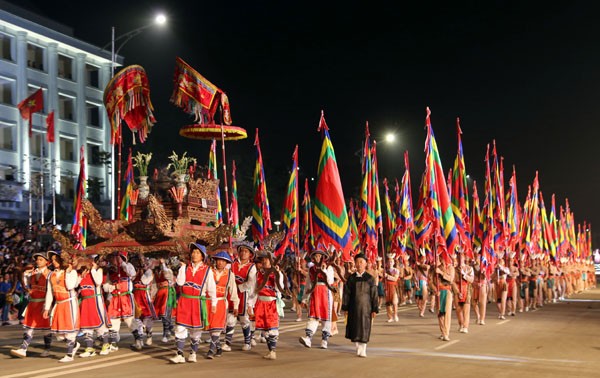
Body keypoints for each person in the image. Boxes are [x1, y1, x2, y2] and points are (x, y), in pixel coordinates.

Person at [169, 243, 217, 364]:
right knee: (180, 327)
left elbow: (211, 288)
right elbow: (180, 283)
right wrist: (181, 269)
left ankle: (193, 353)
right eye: (193, 252)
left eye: (197, 252)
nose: (194, 254)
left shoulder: (207, 270)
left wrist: (214, 303)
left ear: (202, 256)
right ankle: (179, 354)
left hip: (198, 302)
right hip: (184, 301)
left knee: (195, 330)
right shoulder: (185, 268)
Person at [10, 251, 53, 358]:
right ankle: (23, 349)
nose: (38, 261)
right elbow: (25, 283)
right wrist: (23, 273)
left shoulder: (50, 274)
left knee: (46, 329)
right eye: (37, 259)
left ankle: (47, 349)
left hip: (44, 304)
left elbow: (51, 291)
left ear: (47, 262)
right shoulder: (32, 272)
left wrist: (48, 306)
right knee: (29, 327)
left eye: (40, 259)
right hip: (33, 303)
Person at [43, 251, 81, 362]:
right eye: (53, 260)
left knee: (69, 329)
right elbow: (50, 292)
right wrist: (47, 308)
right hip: (58, 304)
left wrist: (69, 272)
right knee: (59, 333)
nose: (54, 262)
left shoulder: (72, 272)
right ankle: (74, 345)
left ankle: (69, 355)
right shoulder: (51, 274)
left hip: (69, 303)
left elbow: (69, 286)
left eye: (56, 259)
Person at [103, 251, 142, 351]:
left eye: (115, 258)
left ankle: (138, 340)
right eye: (112, 258)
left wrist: (123, 263)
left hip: (126, 298)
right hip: (115, 298)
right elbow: (106, 287)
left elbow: (132, 273)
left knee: (129, 320)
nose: (113, 260)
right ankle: (113, 343)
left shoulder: (128, 266)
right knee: (113, 320)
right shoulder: (110, 271)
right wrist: (113, 287)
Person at [342, 253, 378, 358]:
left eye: (361, 262)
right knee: (355, 327)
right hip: (353, 306)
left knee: (365, 327)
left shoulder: (370, 279)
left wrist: (374, 308)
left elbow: (374, 294)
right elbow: (346, 294)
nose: (359, 264)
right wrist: (345, 307)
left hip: (366, 307)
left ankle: (364, 348)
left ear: (366, 263)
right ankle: (358, 346)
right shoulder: (351, 279)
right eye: (357, 262)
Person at [205, 251, 239, 359]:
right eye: (219, 260)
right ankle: (218, 347)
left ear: (226, 263)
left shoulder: (230, 274)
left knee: (217, 326)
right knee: (211, 327)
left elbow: (233, 291)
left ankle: (211, 349)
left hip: (221, 302)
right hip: (207, 301)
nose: (220, 263)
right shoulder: (209, 271)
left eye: (223, 261)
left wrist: (236, 305)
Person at [299, 249, 335, 349]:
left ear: (323, 258)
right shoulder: (311, 269)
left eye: (319, 256)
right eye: (315, 256)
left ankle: (324, 340)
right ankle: (308, 338)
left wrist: (323, 270)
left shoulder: (329, 268)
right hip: (315, 293)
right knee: (313, 316)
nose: (317, 258)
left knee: (326, 318)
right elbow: (308, 285)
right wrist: (304, 299)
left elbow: (330, 280)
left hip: (325, 294)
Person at [225, 241, 257, 351]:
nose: (243, 253)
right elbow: (226, 273)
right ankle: (227, 343)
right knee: (230, 318)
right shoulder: (232, 262)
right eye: (242, 251)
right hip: (231, 294)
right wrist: (229, 256)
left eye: (246, 251)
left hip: (243, 294)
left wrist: (238, 287)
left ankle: (247, 342)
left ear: (250, 254)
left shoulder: (252, 267)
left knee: (244, 319)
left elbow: (251, 283)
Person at [254, 251, 286, 360]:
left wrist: (277, 274)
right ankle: (270, 350)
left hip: (271, 302)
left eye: (266, 259)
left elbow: (279, 289)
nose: (263, 261)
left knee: (272, 327)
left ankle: (273, 350)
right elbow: (253, 290)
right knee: (264, 329)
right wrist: (250, 304)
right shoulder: (258, 274)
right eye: (262, 259)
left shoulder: (277, 273)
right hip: (260, 302)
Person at [77, 255, 111, 357]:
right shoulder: (80, 274)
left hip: (95, 300)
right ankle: (89, 348)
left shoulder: (98, 271)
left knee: (99, 323)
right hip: (85, 301)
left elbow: (98, 282)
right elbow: (74, 285)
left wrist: (92, 270)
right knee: (86, 324)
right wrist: (79, 275)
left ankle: (106, 344)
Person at [132, 255, 157, 347]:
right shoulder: (135, 272)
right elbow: (131, 280)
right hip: (136, 297)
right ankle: (139, 339)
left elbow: (145, 281)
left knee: (147, 317)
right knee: (137, 318)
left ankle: (149, 335)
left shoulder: (149, 272)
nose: (141, 265)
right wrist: (137, 271)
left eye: (143, 264)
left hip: (145, 296)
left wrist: (143, 271)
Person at [153, 257, 176, 343]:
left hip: (167, 293)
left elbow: (167, 275)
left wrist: (163, 264)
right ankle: (170, 331)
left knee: (165, 313)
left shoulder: (168, 271)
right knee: (162, 314)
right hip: (160, 294)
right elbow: (154, 285)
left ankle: (166, 333)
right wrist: (152, 296)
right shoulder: (156, 273)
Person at [436, 257, 455, 341]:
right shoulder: (436, 267)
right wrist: (434, 290)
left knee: (447, 313)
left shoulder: (450, 268)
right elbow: (430, 281)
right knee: (440, 313)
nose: (443, 260)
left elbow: (450, 279)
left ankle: (446, 333)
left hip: (447, 291)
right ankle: (443, 332)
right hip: (439, 292)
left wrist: (440, 272)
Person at [384, 254, 400, 322]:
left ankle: (395, 315)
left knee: (394, 302)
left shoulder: (396, 270)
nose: (390, 263)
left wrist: (387, 276)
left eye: (391, 261)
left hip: (393, 287)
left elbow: (395, 279)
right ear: (387, 263)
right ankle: (390, 317)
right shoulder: (384, 271)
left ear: (393, 262)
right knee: (388, 303)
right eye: (389, 262)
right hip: (387, 287)